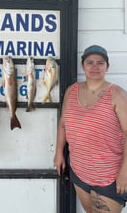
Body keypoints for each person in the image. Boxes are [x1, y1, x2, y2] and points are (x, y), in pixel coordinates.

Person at [54, 45, 127, 213]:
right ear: (83, 65)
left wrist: (125, 171)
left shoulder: (117, 94)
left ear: (107, 67)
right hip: (80, 171)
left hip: (109, 175)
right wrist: (59, 152)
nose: (95, 67)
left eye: (100, 63)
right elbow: (63, 124)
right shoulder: (72, 91)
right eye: (90, 62)